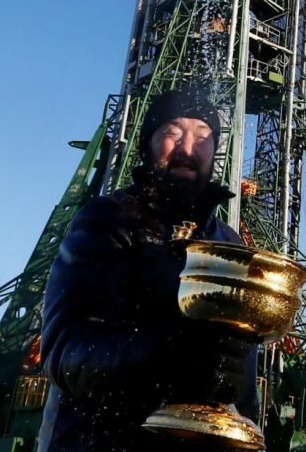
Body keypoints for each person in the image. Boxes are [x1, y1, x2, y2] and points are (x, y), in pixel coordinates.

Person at [38, 87, 258, 451]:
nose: (188, 149)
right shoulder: (108, 220)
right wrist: (169, 352)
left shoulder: (228, 243)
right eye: (173, 132)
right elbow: (65, 352)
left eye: (203, 137)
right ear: (147, 144)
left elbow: (242, 375)